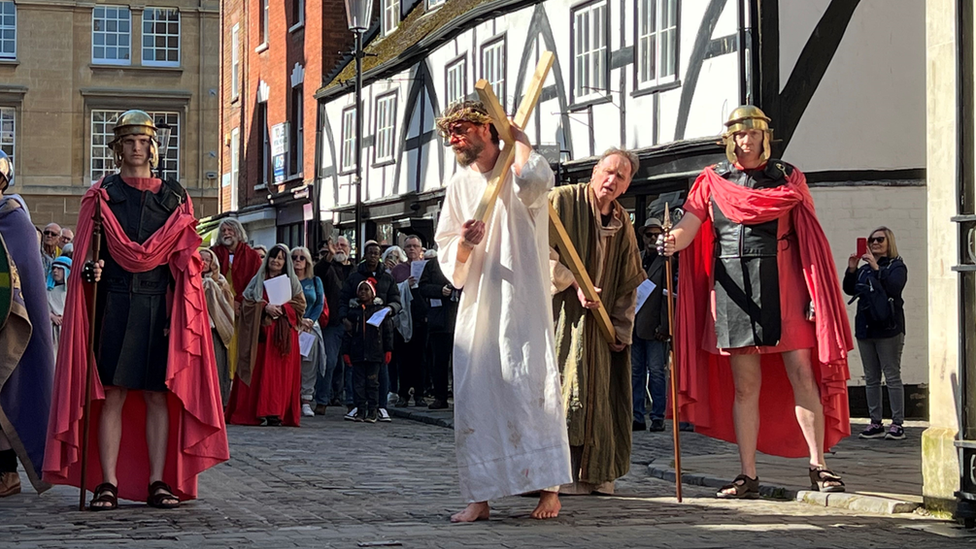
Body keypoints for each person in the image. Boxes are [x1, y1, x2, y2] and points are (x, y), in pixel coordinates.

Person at [660, 105, 852, 498]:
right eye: (739, 135)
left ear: (765, 138)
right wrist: (671, 241)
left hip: (784, 285)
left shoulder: (787, 177)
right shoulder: (711, 181)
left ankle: (819, 466)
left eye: (753, 135)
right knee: (745, 386)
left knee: (802, 374)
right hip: (731, 289)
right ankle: (747, 475)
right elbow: (691, 224)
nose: (746, 141)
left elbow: (808, 238)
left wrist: (815, 295)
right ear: (729, 140)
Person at [44, 110, 229, 509]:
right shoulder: (101, 195)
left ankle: (158, 481)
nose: (136, 148)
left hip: (158, 308)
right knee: (112, 393)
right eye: (129, 141)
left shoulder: (175, 197)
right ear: (118, 147)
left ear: (153, 147)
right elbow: (87, 259)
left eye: (143, 141)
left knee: (156, 395)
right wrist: (90, 271)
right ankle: (107, 483)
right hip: (113, 304)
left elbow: (184, 258)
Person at [434, 100, 571, 522]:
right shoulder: (459, 184)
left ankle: (549, 488)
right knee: (479, 393)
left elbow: (537, 184)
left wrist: (522, 142)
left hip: (523, 301)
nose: (454, 138)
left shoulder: (517, 172)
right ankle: (480, 495)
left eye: (463, 129)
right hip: (480, 302)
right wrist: (465, 243)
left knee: (532, 385)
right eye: (451, 132)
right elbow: (446, 249)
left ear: (488, 131)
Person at [549, 148, 646, 495]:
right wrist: (572, 281)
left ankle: (596, 473)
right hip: (561, 317)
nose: (612, 180)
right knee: (564, 388)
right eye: (608, 171)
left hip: (601, 325)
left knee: (599, 395)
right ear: (594, 171)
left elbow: (629, 281)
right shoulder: (561, 202)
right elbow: (535, 250)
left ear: (627, 185)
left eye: (621, 177)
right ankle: (557, 474)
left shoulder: (623, 225)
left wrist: (621, 328)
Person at [0, 150, 56, 498]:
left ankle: (6, 472)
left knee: (7, 392)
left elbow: (23, 276)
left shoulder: (12, 217)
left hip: (8, 320)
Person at [227, 244, 306, 427]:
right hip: (260, 336)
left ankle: (275, 412)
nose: (276, 261)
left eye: (280, 258)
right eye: (273, 257)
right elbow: (247, 304)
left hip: (282, 338)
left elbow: (300, 306)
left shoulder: (292, 283)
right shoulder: (256, 281)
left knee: (278, 376)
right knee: (259, 373)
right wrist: (264, 307)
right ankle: (254, 411)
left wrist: (283, 309)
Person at [843, 227, 908, 441]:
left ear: (889, 242)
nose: (875, 243)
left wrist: (875, 267)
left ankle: (897, 423)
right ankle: (875, 422)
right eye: (872, 240)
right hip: (866, 327)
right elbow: (850, 290)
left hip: (889, 327)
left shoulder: (896, 266)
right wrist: (852, 269)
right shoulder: (864, 269)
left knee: (891, 375)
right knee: (871, 377)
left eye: (880, 239)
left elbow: (894, 287)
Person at [337, 240, 401, 421]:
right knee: (356, 375)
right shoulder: (355, 277)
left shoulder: (387, 278)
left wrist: (390, 309)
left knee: (380, 373)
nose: (373, 256)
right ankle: (357, 406)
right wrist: (344, 318)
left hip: (380, 330)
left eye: (376, 253)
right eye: (370, 253)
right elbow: (342, 299)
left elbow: (396, 299)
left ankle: (380, 406)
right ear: (365, 255)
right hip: (358, 328)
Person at [210, 218, 263, 382]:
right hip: (218, 307)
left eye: (230, 230)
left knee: (241, 346)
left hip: (243, 309)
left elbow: (256, 282)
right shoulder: (213, 254)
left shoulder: (252, 256)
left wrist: (240, 301)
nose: (226, 233)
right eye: (224, 231)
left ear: (238, 232)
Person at [631, 218, 670, 432]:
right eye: (649, 235)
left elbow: (668, 296)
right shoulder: (636, 259)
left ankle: (657, 416)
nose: (653, 239)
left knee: (656, 372)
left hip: (655, 327)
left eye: (657, 235)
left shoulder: (667, 261)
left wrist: (665, 326)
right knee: (636, 372)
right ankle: (637, 415)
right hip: (635, 324)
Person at [342, 278, 394, 423]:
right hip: (358, 353)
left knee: (373, 383)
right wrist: (346, 352)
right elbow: (348, 335)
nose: (363, 293)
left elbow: (387, 333)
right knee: (358, 384)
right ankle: (360, 410)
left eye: (366, 290)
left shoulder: (380, 312)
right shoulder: (353, 313)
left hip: (375, 354)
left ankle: (373, 410)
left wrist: (388, 350)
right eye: (361, 290)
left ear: (373, 293)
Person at [313, 237, 350, 414]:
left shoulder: (355, 269)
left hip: (354, 322)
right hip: (332, 322)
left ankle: (352, 401)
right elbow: (318, 272)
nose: (339, 249)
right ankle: (322, 399)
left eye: (343, 245)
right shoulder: (328, 268)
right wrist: (328, 257)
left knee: (351, 364)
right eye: (336, 245)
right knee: (328, 362)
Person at [418, 250, 459, 409]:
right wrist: (440, 290)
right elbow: (423, 287)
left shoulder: (463, 260)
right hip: (440, 320)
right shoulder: (432, 265)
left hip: (459, 318)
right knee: (439, 361)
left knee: (460, 362)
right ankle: (440, 397)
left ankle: (459, 398)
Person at [394, 235, 429, 409]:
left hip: (421, 318)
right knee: (404, 358)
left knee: (420, 358)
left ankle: (420, 394)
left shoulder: (427, 267)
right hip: (403, 318)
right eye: (408, 246)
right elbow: (392, 290)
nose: (412, 249)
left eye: (415, 246)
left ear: (421, 249)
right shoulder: (399, 269)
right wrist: (404, 285)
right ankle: (403, 394)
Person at [292, 246, 326, 418]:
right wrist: (296, 321)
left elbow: (319, 303)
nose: (298, 260)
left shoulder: (315, 281)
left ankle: (306, 399)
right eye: (294, 257)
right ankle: (290, 399)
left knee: (308, 364)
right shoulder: (286, 280)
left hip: (309, 327)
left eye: (302, 257)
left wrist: (310, 320)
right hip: (291, 326)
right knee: (290, 364)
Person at [200, 248, 235, 407]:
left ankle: (218, 402)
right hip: (198, 328)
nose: (204, 263)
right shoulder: (189, 279)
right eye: (201, 259)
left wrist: (209, 288)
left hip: (216, 329)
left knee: (217, 366)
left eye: (208, 260)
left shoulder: (220, 281)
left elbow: (226, 306)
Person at [48, 256, 71, 353]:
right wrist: (52, 316)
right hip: (51, 331)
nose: (55, 271)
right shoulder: (46, 291)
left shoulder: (73, 292)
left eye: (59, 268)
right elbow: (40, 309)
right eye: (53, 268)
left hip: (67, 330)